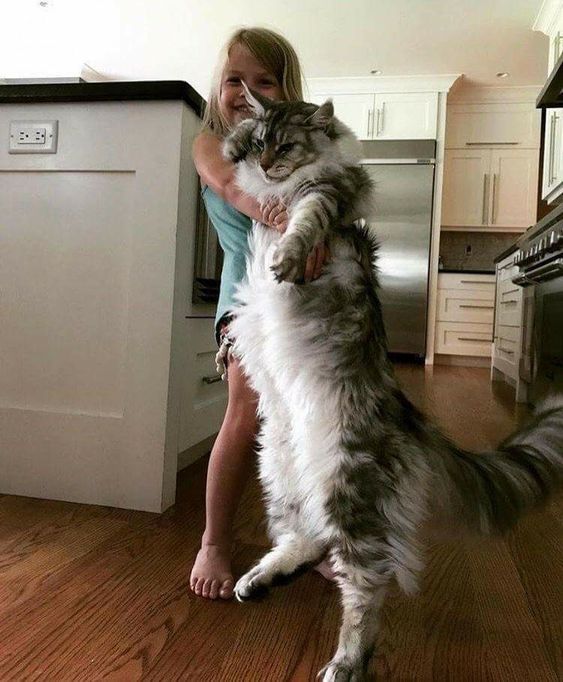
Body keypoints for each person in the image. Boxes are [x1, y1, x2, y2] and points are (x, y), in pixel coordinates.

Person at [189, 27, 331, 600]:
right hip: (246, 304)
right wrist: (288, 220)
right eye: (234, 79)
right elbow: (229, 187)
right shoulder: (209, 141)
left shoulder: (301, 148)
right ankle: (214, 543)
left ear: (284, 90)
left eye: (263, 80)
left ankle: (311, 538)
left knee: (307, 426)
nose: (246, 90)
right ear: (218, 88)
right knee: (244, 414)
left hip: (305, 308)